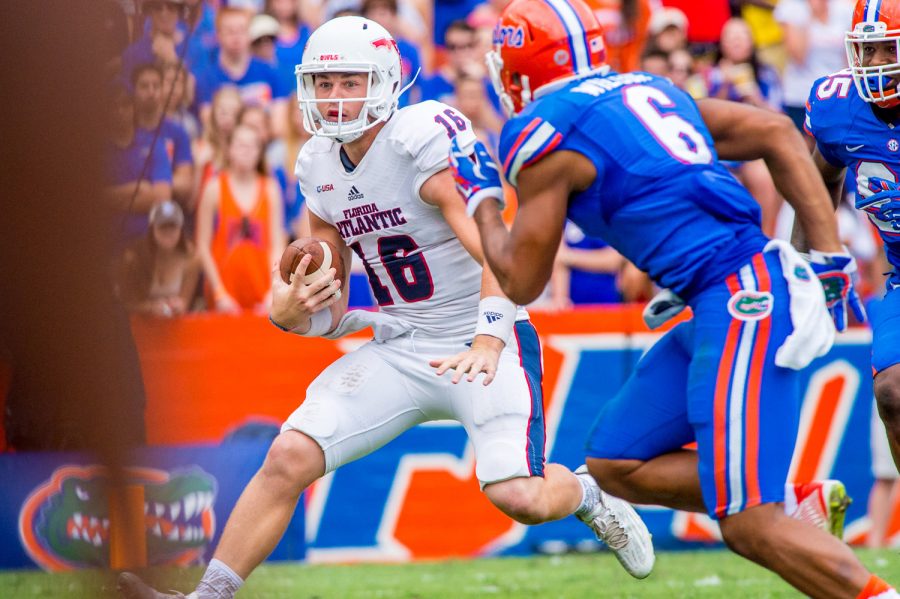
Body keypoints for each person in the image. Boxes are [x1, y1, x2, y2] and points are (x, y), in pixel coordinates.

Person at [117, 16, 654, 599]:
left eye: (349, 81)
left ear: (386, 81)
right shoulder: (317, 165)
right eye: (323, 84)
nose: (335, 98)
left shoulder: (422, 140)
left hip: (479, 335)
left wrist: (488, 340)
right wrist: (292, 308)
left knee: (518, 497)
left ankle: (587, 494)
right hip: (401, 344)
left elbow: (502, 257)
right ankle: (207, 597)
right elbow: (327, 292)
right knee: (289, 454)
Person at [450, 0, 894, 596]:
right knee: (616, 462)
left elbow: (522, 281)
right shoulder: (643, 90)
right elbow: (774, 131)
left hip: (742, 298)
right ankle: (794, 501)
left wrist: (479, 194)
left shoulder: (544, 130)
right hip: (724, 291)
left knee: (748, 523)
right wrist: (827, 251)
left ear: (520, 68)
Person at [803, 0, 900, 479]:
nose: (877, 65)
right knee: (893, 392)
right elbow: (817, 182)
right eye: (869, 51)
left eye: (888, 50)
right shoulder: (839, 110)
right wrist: (811, 267)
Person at [196, 123, 286, 313]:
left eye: (252, 146)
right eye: (240, 145)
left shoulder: (270, 188)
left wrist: (273, 291)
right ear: (229, 149)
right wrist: (219, 293)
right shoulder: (214, 188)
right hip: (224, 298)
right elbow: (202, 246)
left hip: (262, 295)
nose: (246, 151)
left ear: (259, 152)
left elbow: (277, 244)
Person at [118, 199, 201, 317]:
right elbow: (126, 302)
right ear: (152, 230)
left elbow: (184, 303)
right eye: (162, 227)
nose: (168, 232)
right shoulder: (134, 258)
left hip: (172, 326)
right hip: (137, 325)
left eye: (173, 227)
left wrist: (178, 305)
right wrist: (151, 307)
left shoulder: (191, 258)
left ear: (180, 230)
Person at [132, 63, 196, 208]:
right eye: (144, 86)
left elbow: (185, 184)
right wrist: (165, 184)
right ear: (134, 91)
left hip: (167, 214)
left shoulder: (177, 132)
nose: (151, 91)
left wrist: (146, 187)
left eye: (156, 86)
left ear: (162, 90)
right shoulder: (126, 130)